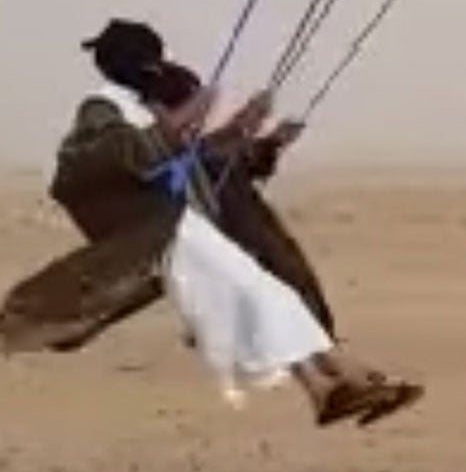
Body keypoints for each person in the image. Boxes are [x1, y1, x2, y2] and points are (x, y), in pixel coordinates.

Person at [2, 19, 420, 427]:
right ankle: (346, 382)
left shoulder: (140, 112)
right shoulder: (104, 110)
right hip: (167, 236)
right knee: (265, 298)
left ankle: (333, 386)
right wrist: (193, 115)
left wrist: (254, 136)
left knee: (267, 300)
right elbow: (132, 158)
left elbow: (200, 156)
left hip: (186, 232)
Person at [141, 59, 338, 336]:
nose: (201, 114)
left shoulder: (194, 147)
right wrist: (242, 125)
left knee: (298, 291)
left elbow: (244, 163)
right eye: (194, 105)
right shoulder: (153, 149)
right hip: (240, 249)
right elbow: (190, 166)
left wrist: (270, 141)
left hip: (259, 239)